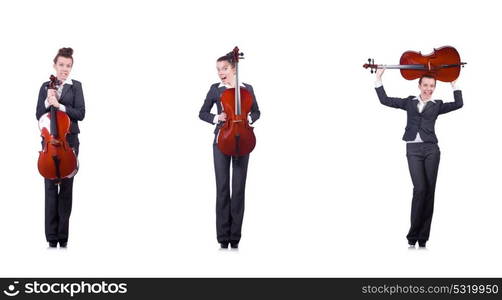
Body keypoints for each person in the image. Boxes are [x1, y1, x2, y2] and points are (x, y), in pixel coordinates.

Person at [374, 68, 463, 248]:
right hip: (413, 149)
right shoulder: (409, 102)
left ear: (435, 87)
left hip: (431, 150)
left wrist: (454, 83)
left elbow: (459, 103)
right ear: (419, 85)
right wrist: (378, 78)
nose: (428, 89)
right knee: (420, 189)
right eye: (425, 85)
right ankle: (412, 235)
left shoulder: (437, 105)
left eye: (432, 86)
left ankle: (423, 237)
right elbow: (385, 100)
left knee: (429, 192)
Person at [199, 54, 260, 249]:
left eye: (224, 69)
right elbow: (202, 113)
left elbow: (257, 111)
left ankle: (235, 237)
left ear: (234, 68)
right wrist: (217, 118)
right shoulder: (215, 90)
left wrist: (249, 119)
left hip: (243, 138)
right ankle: (223, 237)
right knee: (223, 188)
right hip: (222, 141)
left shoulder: (247, 89)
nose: (221, 73)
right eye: (218, 69)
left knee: (239, 188)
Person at [36, 47, 85, 248]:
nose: (65, 69)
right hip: (49, 143)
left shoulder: (76, 87)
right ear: (55, 65)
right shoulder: (45, 86)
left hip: (69, 142)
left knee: (66, 188)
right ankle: (51, 237)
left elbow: (81, 113)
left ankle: (63, 237)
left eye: (68, 66)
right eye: (61, 65)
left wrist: (60, 105)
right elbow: (38, 114)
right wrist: (49, 99)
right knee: (49, 188)